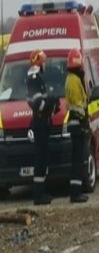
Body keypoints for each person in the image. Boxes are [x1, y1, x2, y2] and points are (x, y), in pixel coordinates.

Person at [27, 50, 53, 205]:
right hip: (40, 121)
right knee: (40, 158)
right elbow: (36, 102)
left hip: (41, 121)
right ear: (38, 62)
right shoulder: (34, 79)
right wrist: (49, 106)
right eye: (43, 62)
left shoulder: (35, 78)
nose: (45, 65)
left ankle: (41, 192)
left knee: (43, 158)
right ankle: (38, 195)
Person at [64, 49, 89, 204]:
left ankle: (77, 191)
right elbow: (78, 104)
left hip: (76, 123)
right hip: (77, 123)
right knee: (77, 159)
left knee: (78, 159)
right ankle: (75, 193)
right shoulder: (74, 80)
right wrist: (84, 117)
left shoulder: (73, 79)